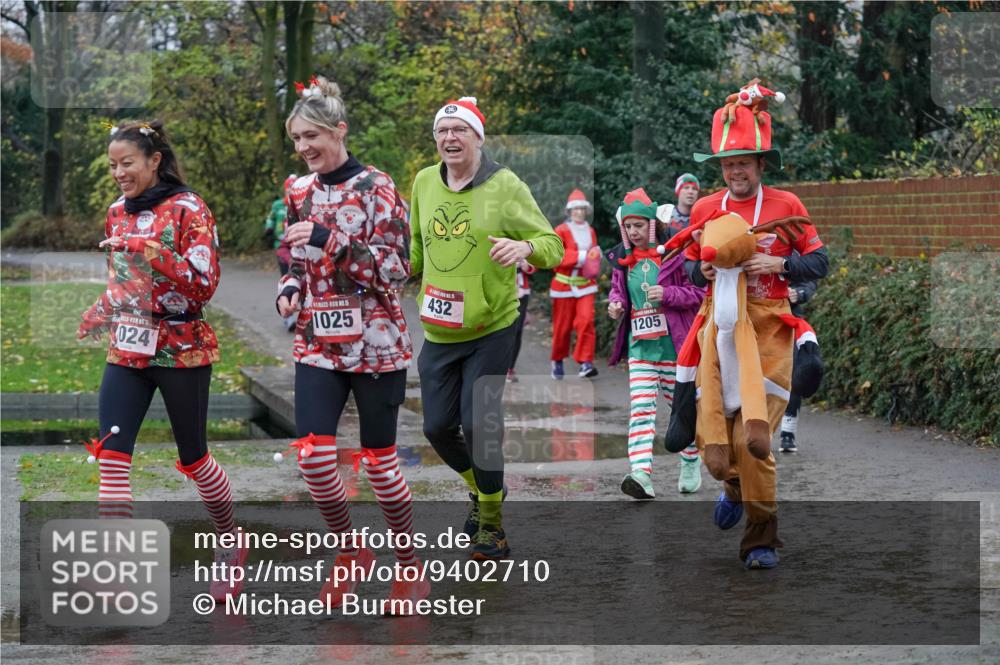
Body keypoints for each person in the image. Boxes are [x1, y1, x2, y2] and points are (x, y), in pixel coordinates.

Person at [274, 75, 427, 611]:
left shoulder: (378, 187)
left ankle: (408, 565)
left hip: (377, 342)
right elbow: (293, 250)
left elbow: (396, 269)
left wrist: (330, 240)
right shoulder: (298, 190)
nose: (303, 148)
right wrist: (290, 285)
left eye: (311, 136)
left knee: (380, 464)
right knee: (313, 458)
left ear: (339, 131)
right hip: (317, 339)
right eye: (296, 139)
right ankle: (351, 550)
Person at [77, 119, 247, 602]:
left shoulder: (189, 209)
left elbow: (203, 283)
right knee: (111, 455)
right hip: (127, 347)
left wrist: (148, 249)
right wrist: (101, 309)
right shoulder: (115, 213)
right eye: (112, 165)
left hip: (182, 348)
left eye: (127, 163)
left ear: (154, 161)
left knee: (194, 457)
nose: (119, 173)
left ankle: (230, 542)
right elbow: (123, 280)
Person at [410, 96, 563, 559]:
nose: (450, 138)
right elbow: (417, 247)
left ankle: (491, 527)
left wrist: (524, 251)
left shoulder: (505, 185)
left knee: (480, 425)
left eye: (459, 130)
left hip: (493, 327)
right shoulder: (422, 182)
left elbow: (551, 244)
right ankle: (484, 491)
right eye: (442, 131)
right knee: (437, 428)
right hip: (439, 330)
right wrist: (395, 268)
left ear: (478, 137)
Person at [685, 79, 829, 569]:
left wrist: (781, 267)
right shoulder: (705, 209)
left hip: (770, 334)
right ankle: (731, 488)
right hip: (718, 334)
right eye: (728, 164)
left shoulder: (788, 205)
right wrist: (699, 269)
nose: (735, 172)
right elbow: (685, 265)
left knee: (756, 440)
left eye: (743, 163)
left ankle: (761, 539)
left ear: (761, 164)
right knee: (714, 446)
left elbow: (820, 262)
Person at [606, 188, 705, 499]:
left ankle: (690, 462)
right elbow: (618, 292)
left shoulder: (676, 256)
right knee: (641, 409)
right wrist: (616, 304)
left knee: (680, 411)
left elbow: (701, 293)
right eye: (629, 227)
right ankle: (641, 473)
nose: (633, 232)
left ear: (651, 224)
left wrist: (669, 295)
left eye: (639, 225)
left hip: (675, 349)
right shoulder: (623, 261)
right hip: (641, 351)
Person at [549, 189, 600, 379]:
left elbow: (592, 254)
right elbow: (556, 257)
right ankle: (557, 359)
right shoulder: (560, 230)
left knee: (586, 321)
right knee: (562, 328)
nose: (579, 212)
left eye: (582, 209)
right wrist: (582, 256)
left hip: (586, 285)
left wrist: (595, 256)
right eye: (575, 209)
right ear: (569, 211)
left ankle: (585, 362)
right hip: (563, 286)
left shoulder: (591, 230)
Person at [779, 262, 819, 453]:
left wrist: (799, 293)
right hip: (752, 319)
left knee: (793, 373)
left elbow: (810, 278)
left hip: (788, 319)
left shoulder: (792, 245)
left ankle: (788, 431)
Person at [265, 173, 298, 330]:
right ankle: (289, 317)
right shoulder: (278, 205)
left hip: (298, 247)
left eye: (293, 187)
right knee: (286, 280)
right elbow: (271, 218)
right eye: (288, 188)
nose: (291, 191)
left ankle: (305, 314)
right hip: (282, 246)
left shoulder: (302, 203)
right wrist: (269, 229)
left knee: (302, 281)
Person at [507, 258, 536, 382]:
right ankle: (496, 365)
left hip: (521, 291)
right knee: (501, 330)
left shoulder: (523, 238)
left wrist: (527, 266)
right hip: (501, 289)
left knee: (517, 331)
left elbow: (534, 262)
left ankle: (509, 368)